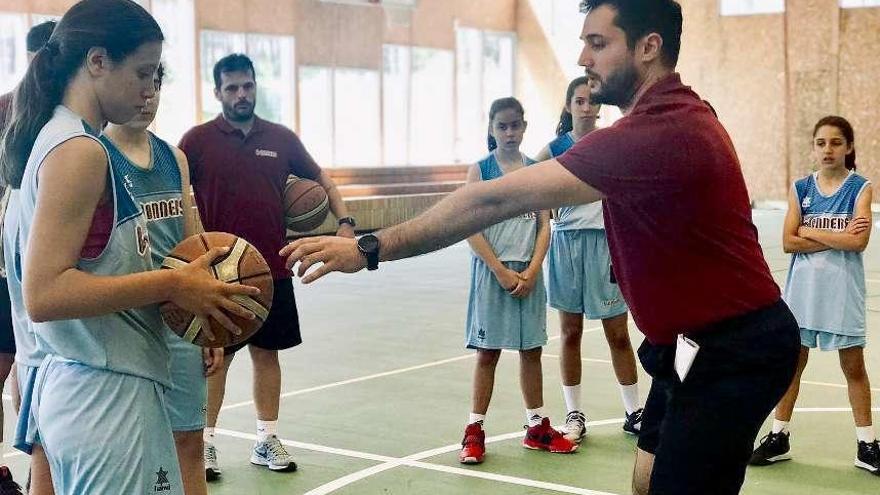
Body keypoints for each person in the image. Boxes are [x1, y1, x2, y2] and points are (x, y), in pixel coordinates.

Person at [280, 1, 800, 493]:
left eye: (598, 43)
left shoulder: (654, 135)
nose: (582, 58)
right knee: (647, 480)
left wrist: (371, 247)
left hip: (733, 351)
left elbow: (484, 202)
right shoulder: (677, 114)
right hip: (690, 344)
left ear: (648, 46)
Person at [0, 1, 259, 493]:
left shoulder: (57, 136)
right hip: (103, 394)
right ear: (97, 62)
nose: (149, 88)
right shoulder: (79, 150)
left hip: (95, 385)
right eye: (142, 72)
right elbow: (45, 295)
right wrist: (173, 283)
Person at [179, 53, 355, 479]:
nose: (242, 94)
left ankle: (266, 438)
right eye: (232, 87)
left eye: (248, 86)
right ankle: (206, 444)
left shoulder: (280, 138)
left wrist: (345, 224)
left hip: (271, 270)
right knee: (216, 360)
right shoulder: (197, 141)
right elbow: (175, 193)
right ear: (217, 92)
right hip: (221, 271)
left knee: (267, 354)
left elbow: (322, 181)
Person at [102, 64, 224, 495]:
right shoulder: (95, 156)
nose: (147, 93)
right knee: (129, 452)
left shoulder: (174, 158)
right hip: (126, 325)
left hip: (179, 320)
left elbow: (192, 239)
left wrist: (207, 323)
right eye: (140, 82)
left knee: (188, 440)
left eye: (155, 83)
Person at [749, 116, 879, 474]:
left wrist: (810, 228)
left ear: (849, 147)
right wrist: (831, 236)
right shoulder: (801, 188)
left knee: (854, 367)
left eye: (836, 142)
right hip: (802, 295)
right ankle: (779, 437)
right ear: (814, 147)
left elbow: (859, 241)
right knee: (793, 365)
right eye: (821, 143)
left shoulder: (861, 188)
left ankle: (867, 445)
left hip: (842, 293)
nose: (828, 149)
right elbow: (789, 242)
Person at [458, 97, 575, 465]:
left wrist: (534, 268)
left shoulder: (535, 169)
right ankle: (474, 431)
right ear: (492, 130)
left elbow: (544, 224)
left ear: (524, 126)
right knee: (488, 354)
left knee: (532, 351)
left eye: (515, 125)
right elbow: (469, 228)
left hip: (529, 273)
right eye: (502, 126)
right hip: (494, 273)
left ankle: (536, 427)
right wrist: (500, 270)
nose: (509, 132)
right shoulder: (480, 170)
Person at [535, 76, 642, 442]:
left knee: (618, 333)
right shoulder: (553, 150)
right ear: (568, 105)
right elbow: (529, 186)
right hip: (566, 246)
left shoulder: (609, 143)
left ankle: (634, 410)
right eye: (578, 101)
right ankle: (574, 414)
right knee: (570, 332)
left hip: (605, 244)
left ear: (599, 106)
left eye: (591, 101)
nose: (586, 107)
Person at [0, 19, 57, 495]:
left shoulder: (75, 119)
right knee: (16, 364)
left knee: (31, 362)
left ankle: (38, 467)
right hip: (11, 267)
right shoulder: (8, 112)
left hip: (50, 260)